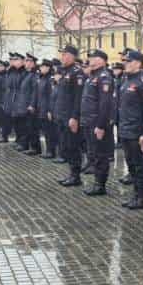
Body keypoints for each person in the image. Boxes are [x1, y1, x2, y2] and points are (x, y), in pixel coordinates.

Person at [116, 50, 143, 209]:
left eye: (129, 61)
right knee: (131, 165)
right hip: (126, 129)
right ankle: (135, 195)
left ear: (138, 63)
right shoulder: (126, 80)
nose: (125, 63)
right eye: (125, 61)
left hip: (137, 132)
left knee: (140, 166)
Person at [79, 50, 116, 195]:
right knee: (93, 152)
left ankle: (100, 185)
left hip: (97, 123)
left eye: (93, 58)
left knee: (101, 155)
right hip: (89, 121)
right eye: (90, 57)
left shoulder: (104, 77)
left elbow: (105, 104)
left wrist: (101, 125)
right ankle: (97, 182)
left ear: (102, 60)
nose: (91, 60)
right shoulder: (92, 76)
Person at [54, 46, 85, 187]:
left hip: (70, 117)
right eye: (62, 55)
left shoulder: (77, 73)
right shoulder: (64, 72)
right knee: (65, 146)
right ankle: (72, 173)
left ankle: (76, 176)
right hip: (62, 115)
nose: (62, 57)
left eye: (65, 55)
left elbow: (78, 98)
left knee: (73, 146)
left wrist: (74, 117)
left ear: (72, 56)